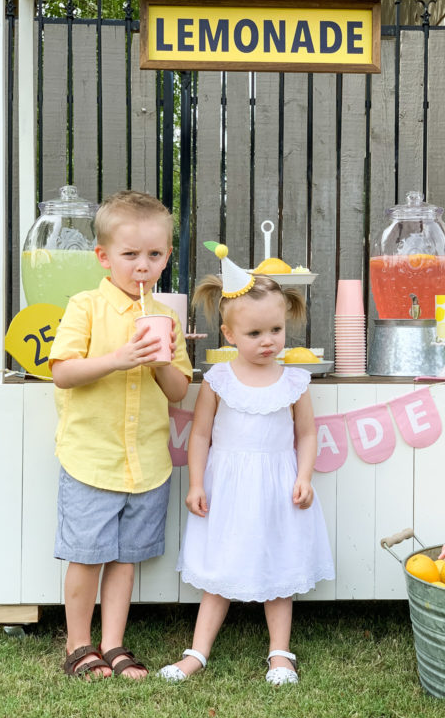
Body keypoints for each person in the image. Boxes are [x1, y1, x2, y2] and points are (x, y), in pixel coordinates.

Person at [159, 244, 334, 685]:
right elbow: (200, 434)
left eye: (276, 329)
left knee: (279, 569)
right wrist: (196, 483)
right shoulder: (218, 379)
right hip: (228, 487)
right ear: (230, 335)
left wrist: (305, 476)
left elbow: (306, 433)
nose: (269, 340)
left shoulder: (295, 379)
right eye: (255, 333)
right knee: (218, 570)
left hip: (277, 486)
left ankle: (280, 653)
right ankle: (197, 652)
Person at [49, 190, 192, 679]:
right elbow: (63, 371)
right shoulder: (86, 306)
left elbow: (177, 390)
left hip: (146, 459)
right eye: (130, 255)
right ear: (104, 257)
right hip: (93, 455)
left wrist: (157, 363)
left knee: (125, 559)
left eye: (154, 255)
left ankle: (112, 643)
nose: (142, 266)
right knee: (88, 556)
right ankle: (78, 643)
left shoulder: (167, 317)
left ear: (167, 256)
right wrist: (119, 359)